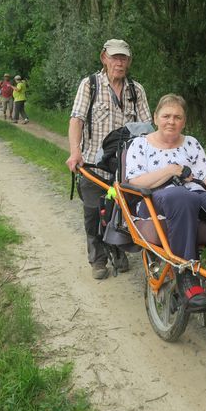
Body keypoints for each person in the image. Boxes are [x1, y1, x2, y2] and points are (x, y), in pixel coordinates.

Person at [125, 93, 206, 311]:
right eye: (166, 116)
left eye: (177, 117)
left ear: (184, 121)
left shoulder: (191, 143)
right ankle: (187, 278)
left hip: (195, 195)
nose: (171, 121)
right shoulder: (139, 145)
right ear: (155, 118)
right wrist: (171, 170)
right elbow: (135, 181)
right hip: (156, 197)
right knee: (182, 196)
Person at [66, 39, 152, 280]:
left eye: (123, 58)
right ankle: (98, 258)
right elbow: (76, 119)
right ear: (104, 58)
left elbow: (147, 128)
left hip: (125, 169)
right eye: (115, 57)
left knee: (120, 212)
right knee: (94, 213)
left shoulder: (137, 90)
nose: (119, 62)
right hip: (94, 165)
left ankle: (116, 248)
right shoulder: (90, 85)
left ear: (129, 61)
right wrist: (75, 151)